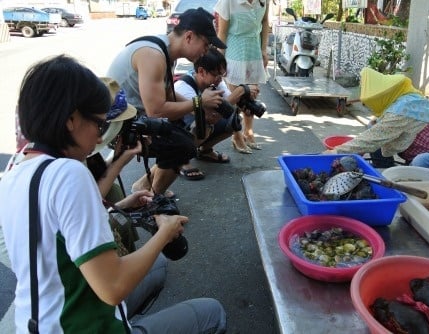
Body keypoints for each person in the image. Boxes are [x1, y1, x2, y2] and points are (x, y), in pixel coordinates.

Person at [0, 55, 226, 333]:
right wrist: (165, 232)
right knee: (211, 313)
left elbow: (56, 233)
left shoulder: (17, 168)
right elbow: (112, 288)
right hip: (80, 325)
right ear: (71, 119)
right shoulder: (69, 173)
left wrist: (119, 205)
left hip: (40, 320)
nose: (99, 137)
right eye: (98, 123)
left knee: (157, 265)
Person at [107, 7, 227, 198]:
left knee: (188, 130)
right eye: (205, 45)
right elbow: (156, 111)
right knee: (183, 146)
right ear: (189, 37)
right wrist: (198, 102)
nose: (206, 52)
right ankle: (152, 200)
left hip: (136, 117)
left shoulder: (165, 52)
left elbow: (169, 95)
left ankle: (146, 187)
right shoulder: (152, 55)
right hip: (118, 128)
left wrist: (200, 109)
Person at [324, 67, 429, 175]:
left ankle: (415, 184)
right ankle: (383, 166)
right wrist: (357, 149)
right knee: (373, 126)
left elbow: (372, 139)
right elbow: (375, 133)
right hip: (415, 155)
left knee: (421, 162)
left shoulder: (404, 109)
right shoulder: (403, 98)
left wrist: (336, 151)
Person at [175, 47, 260, 179]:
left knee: (234, 120)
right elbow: (207, 116)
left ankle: (205, 151)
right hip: (175, 133)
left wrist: (244, 103)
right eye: (216, 75)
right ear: (201, 71)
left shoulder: (215, 81)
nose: (220, 79)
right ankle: (180, 160)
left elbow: (228, 104)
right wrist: (240, 90)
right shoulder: (183, 86)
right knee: (202, 123)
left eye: (222, 75)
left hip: (195, 127)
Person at [215, 0, 270, 152]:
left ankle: (249, 131)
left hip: (254, 49)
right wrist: (220, 62)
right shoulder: (228, 1)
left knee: (251, 97)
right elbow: (222, 33)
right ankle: (236, 135)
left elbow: (265, 22)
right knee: (236, 98)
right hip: (234, 50)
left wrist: (264, 49)